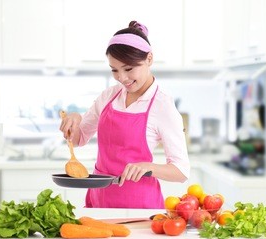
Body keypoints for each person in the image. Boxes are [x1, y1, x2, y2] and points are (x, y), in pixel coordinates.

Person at [59, 21, 190, 209]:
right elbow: (79, 139)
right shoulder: (109, 96)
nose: (122, 78)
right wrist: (74, 120)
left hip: (139, 208)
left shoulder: (163, 107)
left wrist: (149, 167)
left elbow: (181, 171)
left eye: (128, 69)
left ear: (149, 59)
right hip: (100, 202)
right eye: (114, 70)